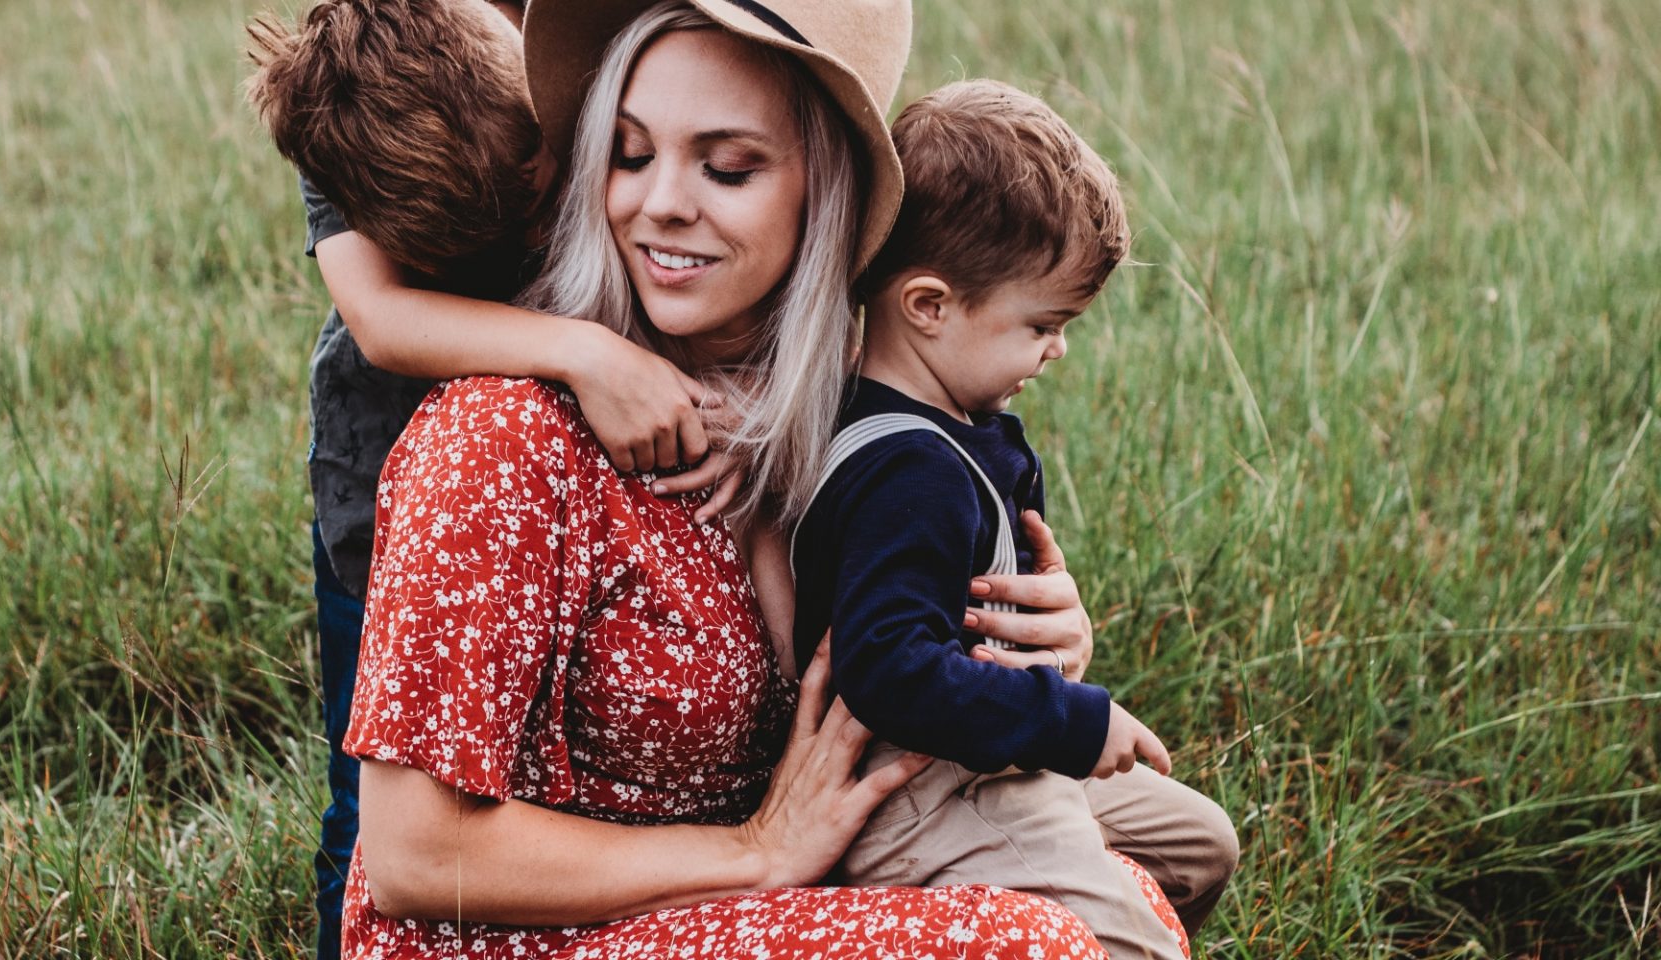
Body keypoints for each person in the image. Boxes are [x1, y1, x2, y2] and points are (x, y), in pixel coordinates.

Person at [335, 1, 1183, 957]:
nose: (660, 202)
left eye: (728, 167)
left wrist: (1028, 641)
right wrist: (754, 852)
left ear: (829, 194)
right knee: (1042, 945)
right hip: (528, 937)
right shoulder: (502, 436)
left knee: (1131, 891)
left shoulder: (839, 431)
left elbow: (895, 669)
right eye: (628, 153)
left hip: (724, 908)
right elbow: (414, 857)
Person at [245, 2, 734, 953]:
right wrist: (586, 355)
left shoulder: (569, 40)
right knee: (376, 787)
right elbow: (383, 319)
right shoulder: (351, 88)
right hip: (386, 479)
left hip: (571, 487)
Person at [789, 80, 1238, 958]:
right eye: (1042, 324)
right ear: (929, 306)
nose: (1058, 348)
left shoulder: (956, 427)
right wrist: (1071, 720)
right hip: (922, 789)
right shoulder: (906, 468)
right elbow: (889, 670)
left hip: (984, 752)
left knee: (1200, 845)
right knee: (1127, 943)